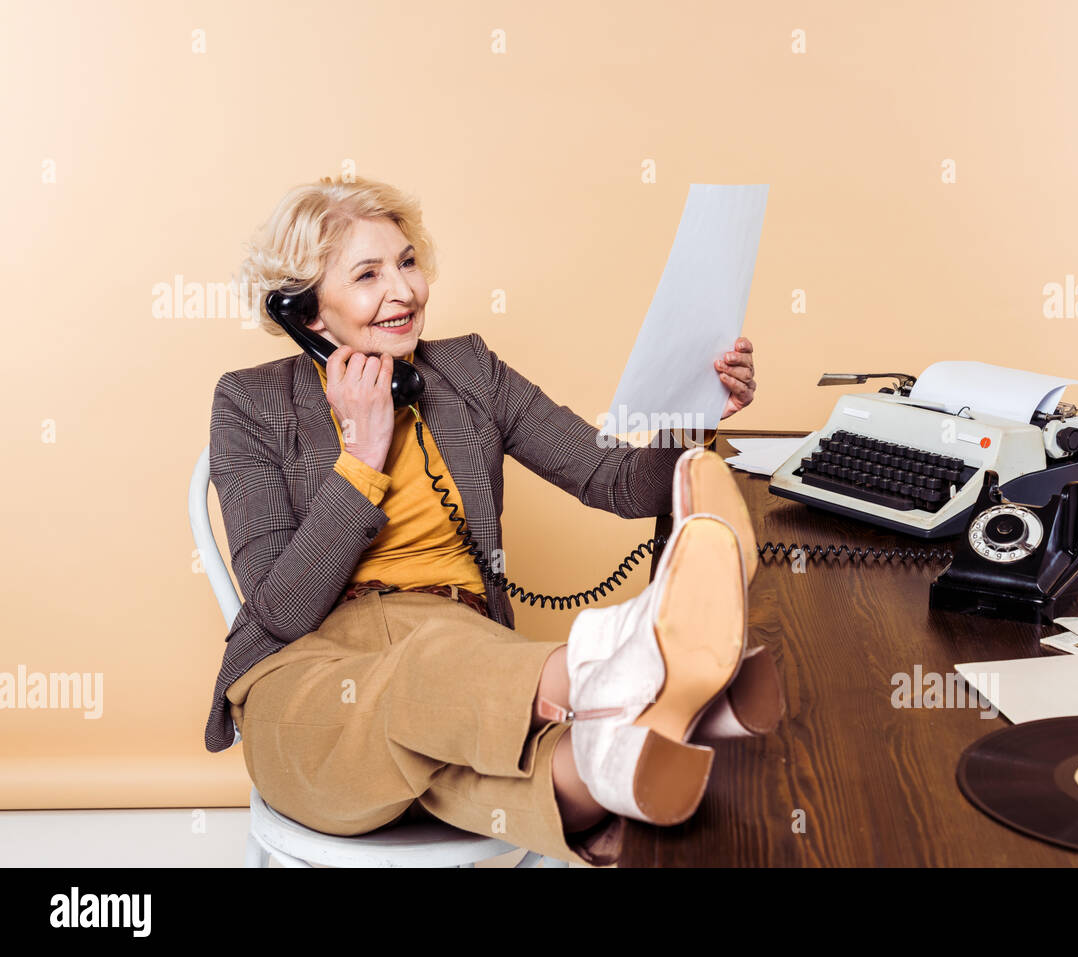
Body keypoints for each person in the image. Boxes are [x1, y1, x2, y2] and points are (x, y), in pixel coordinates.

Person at [203, 176, 774, 866]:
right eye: (367, 274)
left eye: (408, 262)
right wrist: (360, 456)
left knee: (462, 722)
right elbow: (279, 605)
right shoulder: (251, 403)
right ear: (306, 313)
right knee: (430, 685)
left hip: (467, 659)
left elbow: (616, 480)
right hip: (312, 684)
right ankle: (634, 658)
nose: (405, 290)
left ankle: (615, 761)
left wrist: (695, 408)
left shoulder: (468, 372)